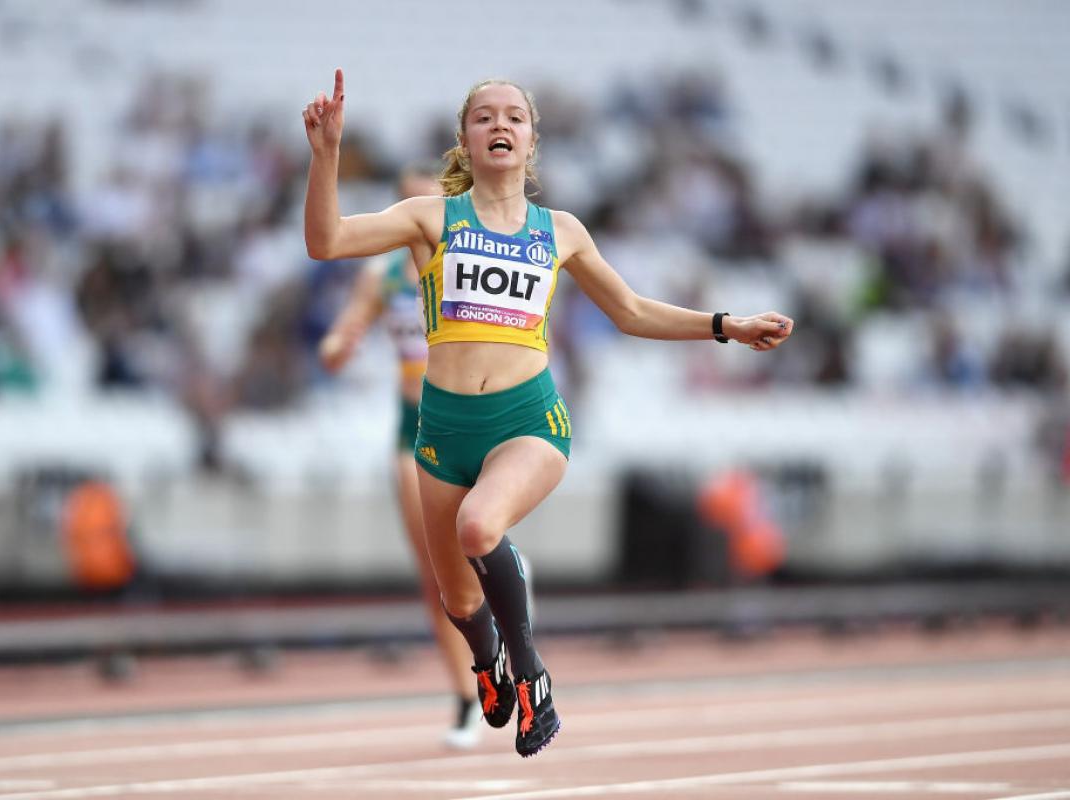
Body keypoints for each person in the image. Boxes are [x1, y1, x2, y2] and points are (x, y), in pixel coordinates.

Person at [303, 69, 794, 758]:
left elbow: (630, 311)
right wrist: (326, 155)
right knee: (460, 599)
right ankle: (487, 667)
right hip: (442, 429)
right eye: (483, 117)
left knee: (480, 527)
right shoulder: (430, 218)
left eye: (514, 117)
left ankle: (531, 676)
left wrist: (725, 324)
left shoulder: (559, 231)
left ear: (531, 141)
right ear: (465, 141)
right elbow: (325, 241)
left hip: (527, 420)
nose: (500, 125)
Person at [317, 164, 482, 750]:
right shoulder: (383, 273)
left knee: (480, 539)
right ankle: (468, 696)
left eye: (429, 199)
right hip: (413, 423)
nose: (418, 211)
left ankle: (506, 572)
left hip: (475, 411)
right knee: (437, 572)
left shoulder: (476, 261)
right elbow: (346, 331)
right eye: (407, 201)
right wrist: (337, 347)